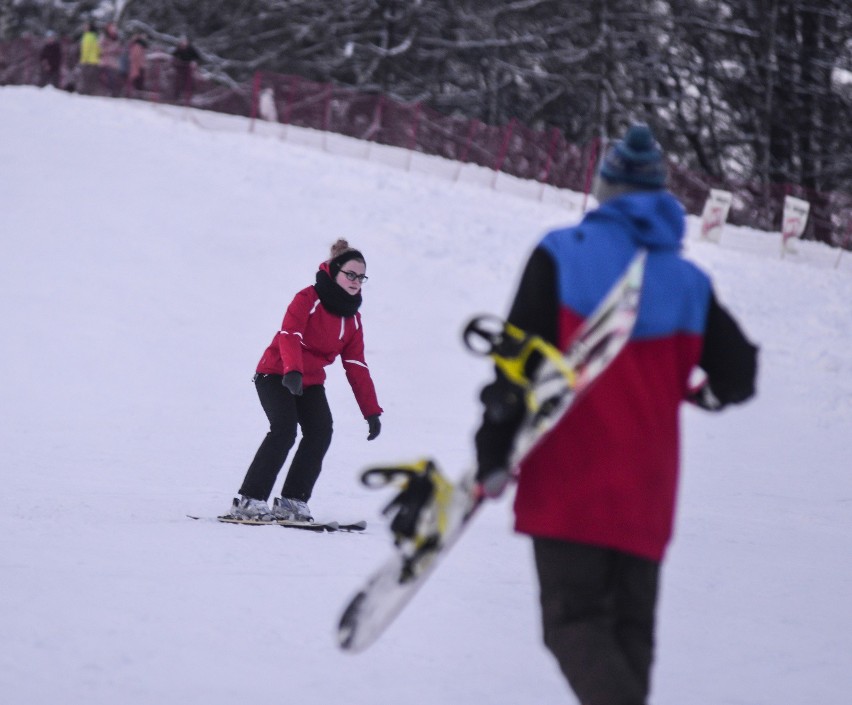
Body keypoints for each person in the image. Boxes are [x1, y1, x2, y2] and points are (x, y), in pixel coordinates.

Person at [474, 124, 758, 705]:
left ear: (603, 189)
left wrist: (491, 456)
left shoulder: (561, 254)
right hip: (647, 495)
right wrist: (702, 394)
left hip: (569, 484)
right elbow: (741, 372)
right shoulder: (687, 282)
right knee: (629, 639)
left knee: (575, 625)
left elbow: (513, 368)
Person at [230, 239, 383, 522]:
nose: (356, 281)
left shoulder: (352, 320)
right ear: (334, 271)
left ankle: (292, 502)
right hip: (277, 374)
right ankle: (249, 500)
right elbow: (290, 334)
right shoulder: (308, 298)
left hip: (309, 382)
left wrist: (371, 411)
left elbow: (356, 366)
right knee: (284, 430)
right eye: (350, 274)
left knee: (320, 431)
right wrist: (292, 370)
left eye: (361, 277)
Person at [171, 36, 200, 103]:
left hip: (188, 68)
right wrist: (175, 61)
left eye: (184, 42)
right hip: (180, 68)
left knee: (188, 82)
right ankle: (176, 96)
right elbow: (174, 55)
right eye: (182, 43)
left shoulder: (191, 49)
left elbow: (197, 57)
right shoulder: (179, 49)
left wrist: (194, 62)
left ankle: (188, 96)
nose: (183, 44)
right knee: (178, 82)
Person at [77, 21, 100, 94]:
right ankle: (91, 93)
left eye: (86, 26)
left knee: (85, 78)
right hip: (95, 61)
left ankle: (84, 92)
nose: (84, 27)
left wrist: (83, 60)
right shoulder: (95, 37)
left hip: (87, 61)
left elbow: (86, 50)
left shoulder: (87, 36)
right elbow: (99, 49)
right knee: (92, 79)